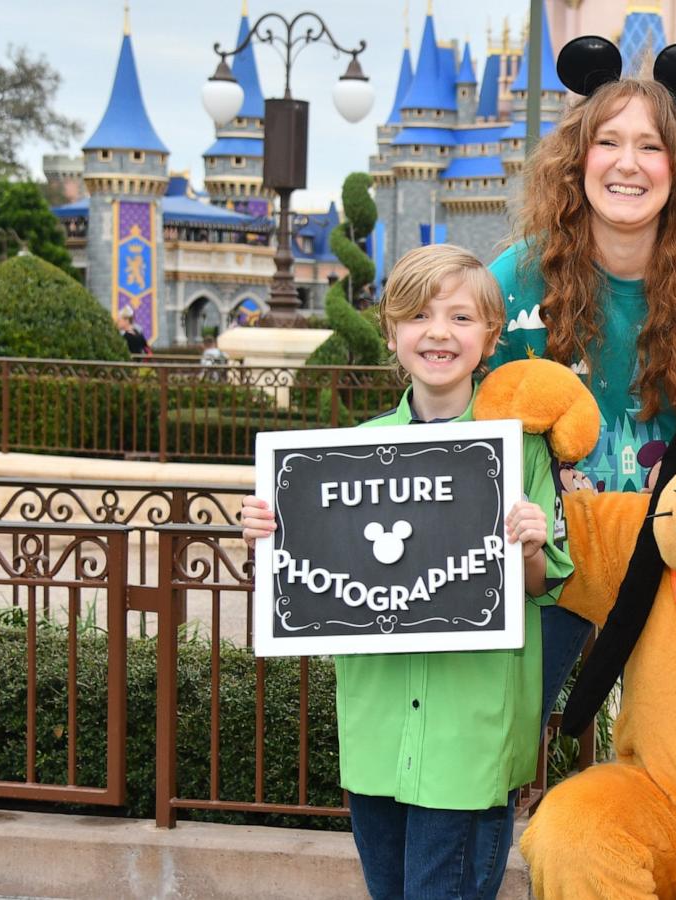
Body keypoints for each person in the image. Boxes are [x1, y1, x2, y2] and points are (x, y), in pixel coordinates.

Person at [240, 244, 570, 899]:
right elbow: (310, 584)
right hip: (378, 735)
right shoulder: (346, 454)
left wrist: (530, 544)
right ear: (391, 332)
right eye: (419, 315)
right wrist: (272, 534)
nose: (439, 332)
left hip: (468, 741)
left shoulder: (522, 451)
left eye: (460, 317)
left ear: (490, 337)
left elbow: (540, 584)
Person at [486, 75, 676, 741]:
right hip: (541, 569)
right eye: (608, 141)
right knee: (501, 746)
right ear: (578, 160)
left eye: (650, 145)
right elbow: (463, 421)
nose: (628, 163)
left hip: (670, 568)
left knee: (672, 754)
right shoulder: (515, 280)